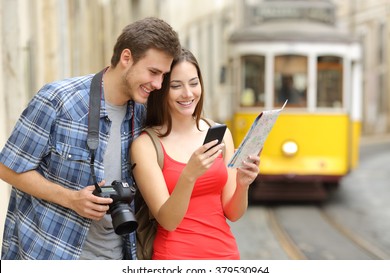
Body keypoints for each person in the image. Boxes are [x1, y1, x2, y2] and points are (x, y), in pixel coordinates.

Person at [0, 17, 181, 260]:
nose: (159, 84)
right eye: (153, 72)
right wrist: (71, 199)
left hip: (118, 255)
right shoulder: (58, 100)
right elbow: (7, 168)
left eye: (164, 75)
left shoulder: (143, 113)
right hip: (51, 254)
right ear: (126, 58)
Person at [130, 48, 260, 259]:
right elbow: (168, 220)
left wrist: (243, 184)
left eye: (193, 83)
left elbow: (233, 213)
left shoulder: (220, 134)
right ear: (161, 89)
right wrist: (189, 175)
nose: (188, 94)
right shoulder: (146, 145)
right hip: (175, 257)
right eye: (176, 86)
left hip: (225, 255)